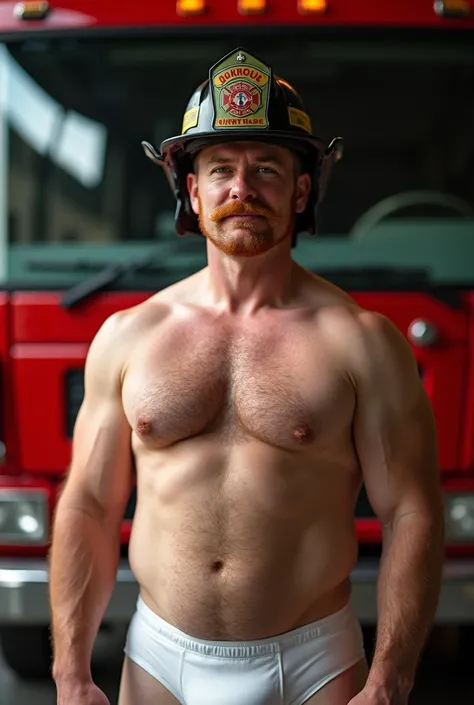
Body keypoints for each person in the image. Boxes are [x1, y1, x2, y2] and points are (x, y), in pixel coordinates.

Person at [49, 47, 444, 705]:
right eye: (221, 170)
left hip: (314, 662)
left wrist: (389, 682)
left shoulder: (363, 342)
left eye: (266, 168)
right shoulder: (128, 337)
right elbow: (89, 505)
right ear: (193, 190)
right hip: (159, 661)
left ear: (300, 189)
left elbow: (412, 511)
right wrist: (69, 673)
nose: (242, 189)